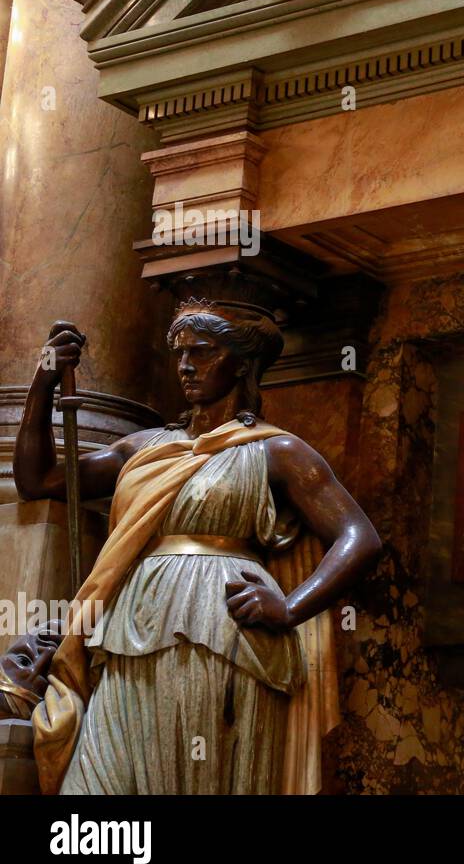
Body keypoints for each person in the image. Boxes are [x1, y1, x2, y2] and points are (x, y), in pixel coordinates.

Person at [15, 299, 381, 794]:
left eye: (203, 352)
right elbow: (38, 479)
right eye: (180, 353)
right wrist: (44, 382)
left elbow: (359, 538)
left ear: (242, 363)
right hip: (129, 631)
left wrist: (290, 607)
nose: (186, 365)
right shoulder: (144, 448)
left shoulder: (275, 450)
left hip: (224, 635)